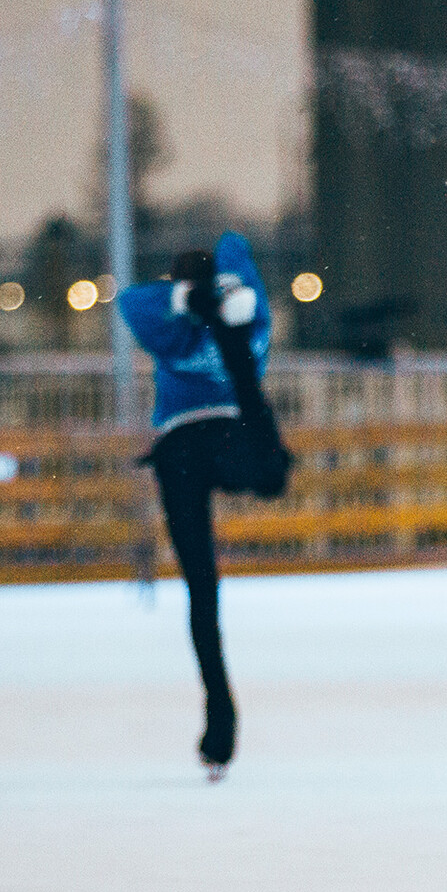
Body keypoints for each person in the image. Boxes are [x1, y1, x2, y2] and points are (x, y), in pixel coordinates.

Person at [120, 235, 292, 780]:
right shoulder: (246, 316)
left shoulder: (174, 333)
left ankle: (220, 722)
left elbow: (130, 301)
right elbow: (236, 244)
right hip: (228, 437)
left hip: (183, 449)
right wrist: (206, 294)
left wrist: (191, 296)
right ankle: (220, 719)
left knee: (202, 585)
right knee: (266, 477)